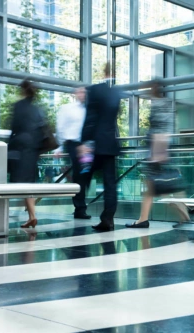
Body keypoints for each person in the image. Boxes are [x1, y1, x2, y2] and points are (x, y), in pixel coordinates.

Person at [126, 79, 174, 229]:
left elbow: (163, 130)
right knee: (153, 188)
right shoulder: (161, 103)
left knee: (157, 189)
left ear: (156, 88)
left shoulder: (162, 104)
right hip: (155, 151)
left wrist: (157, 154)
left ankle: (184, 215)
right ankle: (143, 219)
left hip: (156, 152)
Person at [80, 63, 122, 231]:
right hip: (110, 144)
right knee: (110, 183)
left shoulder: (95, 90)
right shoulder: (116, 93)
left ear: (103, 72)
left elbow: (90, 119)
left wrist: (84, 142)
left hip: (95, 144)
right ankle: (108, 219)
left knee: (83, 175)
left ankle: (79, 206)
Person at [8, 79, 45, 228]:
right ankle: (31, 216)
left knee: (22, 185)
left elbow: (13, 127)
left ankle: (32, 215)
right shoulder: (37, 109)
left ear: (23, 91)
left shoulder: (18, 107)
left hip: (20, 150)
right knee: (28, 184)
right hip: (33, 151)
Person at [54, 86, 91, 219]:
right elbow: (61, 127)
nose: (82, 94)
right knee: (79, 175)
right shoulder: (67, 108)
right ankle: (80, 208)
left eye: (84, 92)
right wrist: (59, 147)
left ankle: (81, 206)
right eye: (80, 92)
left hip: (87, 146)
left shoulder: (88, 109)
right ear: (75, 93)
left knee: (86, 174)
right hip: (73, 145)